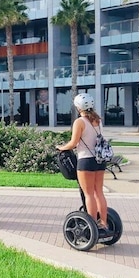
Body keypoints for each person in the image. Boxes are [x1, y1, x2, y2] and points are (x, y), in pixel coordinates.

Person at [56, 93, 109, 233]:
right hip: (100, 160)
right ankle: (104, 223)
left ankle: (92, 227)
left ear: (78, 107)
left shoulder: (80, 122)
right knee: (99, 193)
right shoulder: (98, 120)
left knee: (89, 194)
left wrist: (61, 147)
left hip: (86, 161)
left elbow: (73, 143)